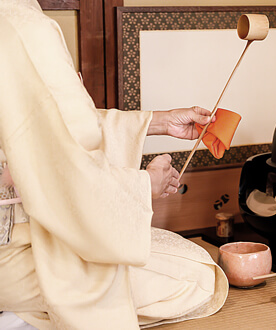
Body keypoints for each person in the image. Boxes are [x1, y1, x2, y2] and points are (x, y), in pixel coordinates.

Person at [0, 1, 228, 329]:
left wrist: (159, 122)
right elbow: (64, 165)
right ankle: (26, 317)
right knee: (200, 277)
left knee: (175, 255)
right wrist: (143, 186)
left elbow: (56, 133)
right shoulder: (22, 28)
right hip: (17, 250)